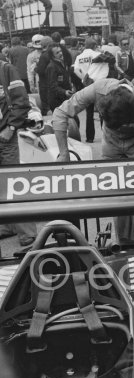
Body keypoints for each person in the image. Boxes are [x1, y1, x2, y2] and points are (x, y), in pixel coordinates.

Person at [52, 79, 134, 246]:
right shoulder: (98, 90)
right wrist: (63, 153)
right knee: (118, 198)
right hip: (111, 147)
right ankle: (123, 245)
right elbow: (60, 113)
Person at [0, 58, 36, 247]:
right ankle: (7, 225)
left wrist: (11, 128)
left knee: (13, 183)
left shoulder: (6, 70)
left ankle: (26, 231)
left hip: (5, 136)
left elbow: (22, 101)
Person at [73, 37, 110, 143]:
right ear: (94, 46)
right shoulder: (96, 55)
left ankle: (90, 137)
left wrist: (84, 79)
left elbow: (76, 70)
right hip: (98, 85)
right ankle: (105, 135)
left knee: (89, 112)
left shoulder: (79, 57)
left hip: (87, 85)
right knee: (102, 111)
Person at [45, 43, 73, 113]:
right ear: (53, 56)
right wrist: (64, 92)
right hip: (56, 101)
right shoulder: (52, 67)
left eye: (60, 51)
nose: (61, 53)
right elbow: (52, 86)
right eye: (57, 53)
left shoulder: (62, 64)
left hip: (64, 99)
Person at [34, 35, 53, 115]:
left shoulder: (44, 56)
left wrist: (36, 68)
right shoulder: (54, 53)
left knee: (46, 106)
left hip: (45, 84)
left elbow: (41, 71)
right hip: (53, 83)